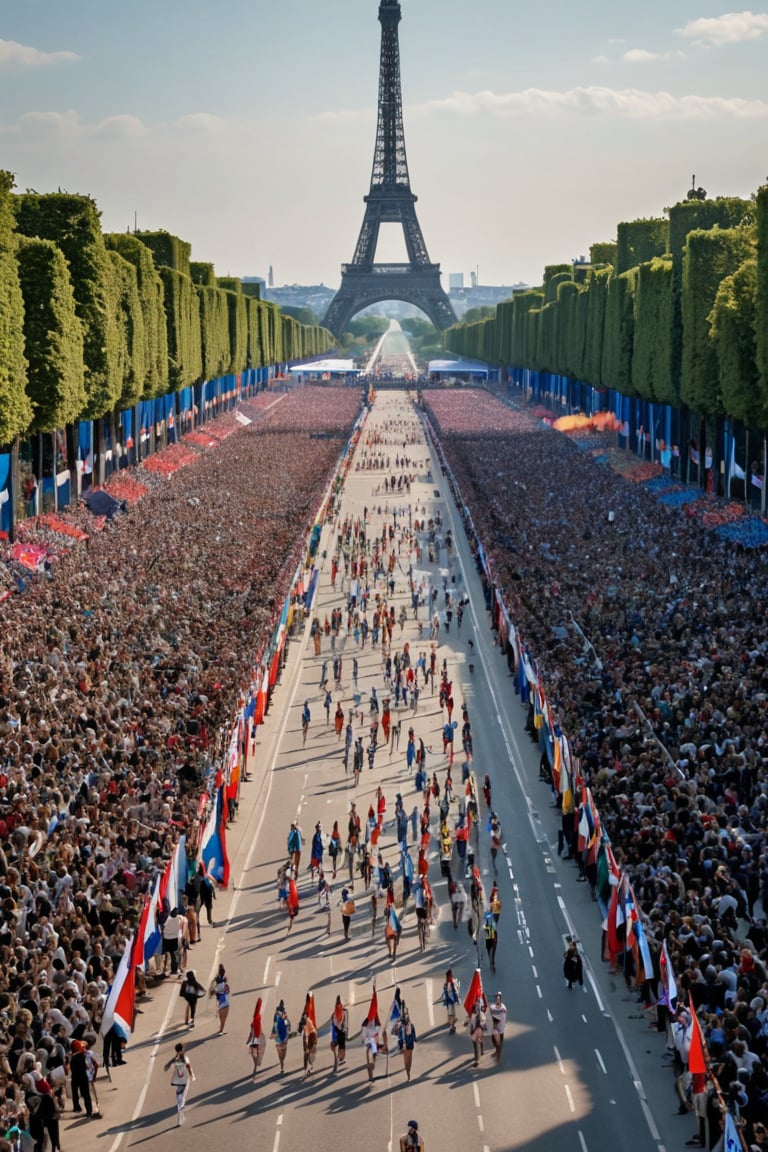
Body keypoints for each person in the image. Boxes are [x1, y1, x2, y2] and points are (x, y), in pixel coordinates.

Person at [165, 1041, 195, 1126]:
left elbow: (167, 1067)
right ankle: (180, 1117)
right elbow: (189, 1067)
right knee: (183, 1098)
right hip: (185, 1080)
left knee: (179, 1096)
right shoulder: (185, 1058)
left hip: (178, 1080)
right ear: (182, 1050)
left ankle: (180, 1114)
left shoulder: (175, 1059)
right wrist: (192, 1076)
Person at [69, 1039, 93, 1117]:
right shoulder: (82, 1056)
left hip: (75, 1078)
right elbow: (86, 1066)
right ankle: (89, 1111)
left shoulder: (73, 1058)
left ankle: (77, 1108)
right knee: (86, 1095)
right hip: (83, 1077)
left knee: (75, 1093)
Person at [247, 997, 266, 1079]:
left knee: (253, 1052)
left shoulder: (256, 1019)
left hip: (256, 1037)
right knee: (256, 1051)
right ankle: (257, 1062)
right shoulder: (257, 1018)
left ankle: (257, 1062)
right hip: (258, 1036)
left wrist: (250, 1039)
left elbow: (253, 1031)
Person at [209, 964, 230, 1034]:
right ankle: (221, 1030)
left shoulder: (217, 988)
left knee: (221, 1019)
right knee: (224, 1019)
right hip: (226, 1003)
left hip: (221, 1004)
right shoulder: (226, 986)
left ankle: (221, 1030)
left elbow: (212, 992)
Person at [330, 995, 349, 1072]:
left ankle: (337, 1059)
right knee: (341, 1047)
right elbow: (341, 1021)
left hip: (336, 1031)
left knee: (336, 1045)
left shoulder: (335, 1011)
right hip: (341, 1031)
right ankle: (339, 1059)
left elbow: (334, 1021)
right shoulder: (341, 1010)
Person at [271, 1000, 291, 1073]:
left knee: (282, 1054)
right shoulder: (278, 1017)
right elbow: (275, 1026)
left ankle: (282, 1063)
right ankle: (282, 1065)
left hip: (281, 1038)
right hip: (280, 1039)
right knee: (281, 1054)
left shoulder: (282, 1018)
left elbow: (287, 1026)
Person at [361, 1012, 380, 1082]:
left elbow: (376, 1033)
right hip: (369, 1044)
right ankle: (370, 1077)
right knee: (370, 1063)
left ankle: (371, 1074)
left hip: (372, 1043)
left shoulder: (374, 1022)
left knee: (372, 1061)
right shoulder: (366, 1024)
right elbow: (365, 1035)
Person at [398, 1009, 417, 1081]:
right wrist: (401, 1044)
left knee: (410, 1060)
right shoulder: (401, 1027)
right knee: (406, 1061)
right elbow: (399, 1036)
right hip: (404, 1046)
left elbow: (413, 1034)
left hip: (410, 1045)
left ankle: (409, 1071)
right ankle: (408, 1073)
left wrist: (414, 1039)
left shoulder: (411, 1026)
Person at [489, 992, 507, 1061]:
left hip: (501, 1027)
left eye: (498, 999)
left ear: (500, 1000)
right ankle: (496, 1051)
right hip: (494, 1027)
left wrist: (505, 1021)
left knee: (500, 1042)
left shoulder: (503, 1007)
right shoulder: (492, 1007)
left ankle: (498, 1055)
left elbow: (505, 1012)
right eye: (496, 999)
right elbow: (490, 1013)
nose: (497, 1000)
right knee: (493, 1040)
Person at [442, 969, 460, 1033]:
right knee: (451, 1013)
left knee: (451, 1013)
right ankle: (452, 1025)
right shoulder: (449, 983)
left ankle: (451, 1021)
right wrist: (456, 999)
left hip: (448, 1000)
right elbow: (451, 993)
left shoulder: (447, 982)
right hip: (450, 1001)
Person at [469, 998, 486, 1067]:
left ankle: (477, 1061)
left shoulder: (479, 1014)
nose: (477, 1006)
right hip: (478, 1029)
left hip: (477, 1029)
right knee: (479, 1042)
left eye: (478, 1005)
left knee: (475, 1045)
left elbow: (480, 1023)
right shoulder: (478, 1013)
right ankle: (481, 1051)